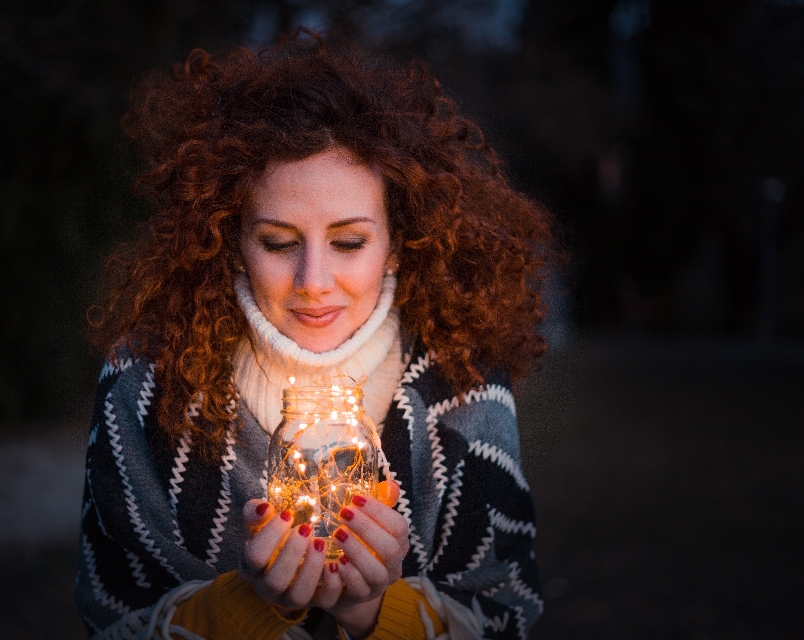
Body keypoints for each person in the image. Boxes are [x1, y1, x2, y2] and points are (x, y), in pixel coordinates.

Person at [76, 32, 553, 640]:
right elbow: (109, 622)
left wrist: (375, 613)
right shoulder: (144, 389)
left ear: (399, 244)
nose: (313, 283)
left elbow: (506, 616)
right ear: (229, 237)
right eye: (278, 243)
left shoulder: (466, 388)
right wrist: (243, 608)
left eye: (349, 242)